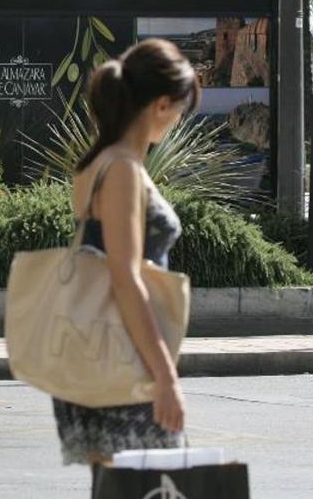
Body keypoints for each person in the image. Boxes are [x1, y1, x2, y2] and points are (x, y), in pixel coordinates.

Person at [51, 38, 201, 488]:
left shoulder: (100, 164)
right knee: (151, 487)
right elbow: (125, 278)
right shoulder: (121, 170)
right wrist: (165, 377)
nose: (178, 122)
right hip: (125, 359)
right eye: (181, 110)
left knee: (124, 489)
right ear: (161, 104)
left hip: (107, 352)